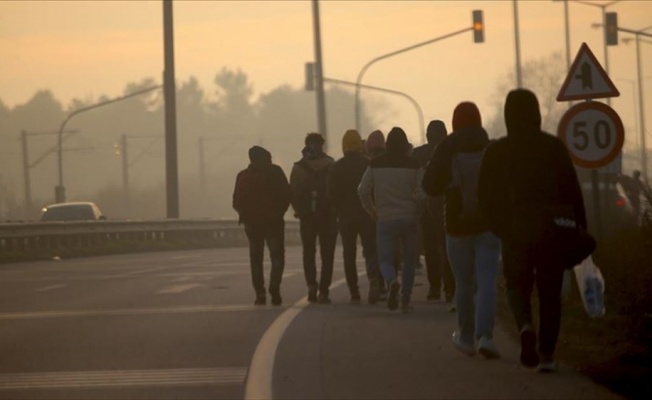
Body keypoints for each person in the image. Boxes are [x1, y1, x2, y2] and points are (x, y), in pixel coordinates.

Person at [478, 88, 588, 372]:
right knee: (550, 291)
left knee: (517, 285)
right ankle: (547, 354)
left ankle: (526, 326)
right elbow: (572, 191)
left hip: (515, 230)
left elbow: (485, 195)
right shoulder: (553, 147)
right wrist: (580, 227)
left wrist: (498, 225)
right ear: (537, 113)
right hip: (552, 231)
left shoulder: (497, 151)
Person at [423, 102, 501, 359]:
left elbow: (429, 186)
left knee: (464, 282)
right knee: (487, 280)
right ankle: (486, 336)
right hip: (489, 224)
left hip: (456, 225)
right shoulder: (489, 145)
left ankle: (466, 337)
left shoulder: (446, 147)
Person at [358, 127, 425, 313]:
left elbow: (362, 190)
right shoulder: (414, 163)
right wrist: (418, 211)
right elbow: (421, 194)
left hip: (385, 218)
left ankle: (391, 281)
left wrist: (371, 210)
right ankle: (405, 301)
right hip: (409, 216)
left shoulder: (376, 163)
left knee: (385, 259)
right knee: (410, 260)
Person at [328, 129, 382, 304]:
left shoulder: (337, 166)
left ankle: (354, 291)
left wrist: (337, 210)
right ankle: (374, 280)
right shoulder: (368, 163)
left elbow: (331, 194)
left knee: (349, 253)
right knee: (371, 250)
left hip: (345, 216)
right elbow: (375, 190)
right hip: (367, 214)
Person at [232, 146, 291, 306]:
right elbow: (287, 194)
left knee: (256, 258)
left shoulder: (243, 175)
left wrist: (246, 215)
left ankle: (260, 293)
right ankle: (274, 287)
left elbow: (236, 201)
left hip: (252, 224)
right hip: (274, 222)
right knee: (277, 256)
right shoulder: (276, 172)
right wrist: (279, 212)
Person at [290, 133, 338, 304]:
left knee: (309, 253)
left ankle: (311, 285)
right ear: (322, 145)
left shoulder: (298, 168)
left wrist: (299, 211)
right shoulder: (331, 164)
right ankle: (324, 291)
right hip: (328, 216)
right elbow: (336, 191)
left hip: (307, 217)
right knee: (327, 254)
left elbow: (293, 193)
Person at [412, 120, 455, 304]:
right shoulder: (452, 152)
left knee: (430, 249)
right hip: (448, 207)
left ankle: (435, 287)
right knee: (447, 248)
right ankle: (450, 288)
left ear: (428, 135)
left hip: (426, 208)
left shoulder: (418, 154)